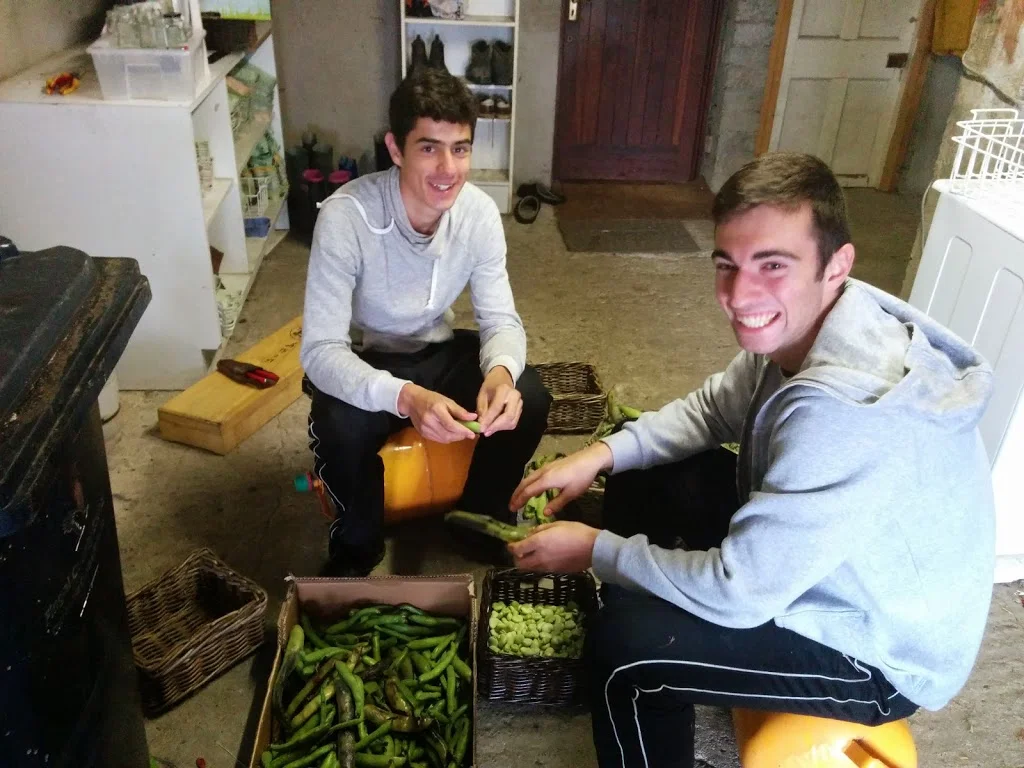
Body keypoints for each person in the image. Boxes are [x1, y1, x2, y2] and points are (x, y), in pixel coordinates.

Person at [507, 152, 996, 768]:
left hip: (878, 646)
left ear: (835, 264)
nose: (740, 295)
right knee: (650, 477)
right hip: (828, 565)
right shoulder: (813, 323)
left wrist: (596, 551)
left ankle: (658, 678)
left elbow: (740, 592)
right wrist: (599, 455)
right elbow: (714, 410)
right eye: (727, 265)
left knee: (626, 653)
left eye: (773, 265)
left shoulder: (848, 412)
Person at [300, 68, 551, 577]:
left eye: (460, 149)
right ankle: (358, 547)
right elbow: (321, 351)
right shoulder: (346, 217)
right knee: (337, 426)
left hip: (437, 351)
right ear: (395, 149)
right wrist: (406, 397)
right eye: (429, 148)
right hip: (369, 361)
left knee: (529, 393)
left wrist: (500, 375)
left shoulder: (478, 215)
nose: (448, 168)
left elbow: (500, 318)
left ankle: (476, 519)